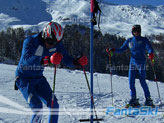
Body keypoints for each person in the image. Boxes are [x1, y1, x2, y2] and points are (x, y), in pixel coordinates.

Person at [15, 21, 88, 123]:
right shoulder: (30, 41)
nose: (51, 45)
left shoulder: (56, 44)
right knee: (37, 108)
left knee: (54, 105)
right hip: (24, 79)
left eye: (55, 43)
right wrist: (47, 60)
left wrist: (76, 62)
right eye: (50, 41)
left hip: (39, 79)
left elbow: (66, 58)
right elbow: (26, 60)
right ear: (45, 34)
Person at [106, 25, 154, 107]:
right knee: (131, 80)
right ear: (133, 32)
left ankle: (148, 99)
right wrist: (113, 50)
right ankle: (133, 98)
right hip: (132, 63)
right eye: (135, 31)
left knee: (142, 81)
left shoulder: (143, 40)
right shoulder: (129, 41)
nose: (137, 33)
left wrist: (151, 53)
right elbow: (121, 49)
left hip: (141, 63)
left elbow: (149, 47)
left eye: (138, 31)